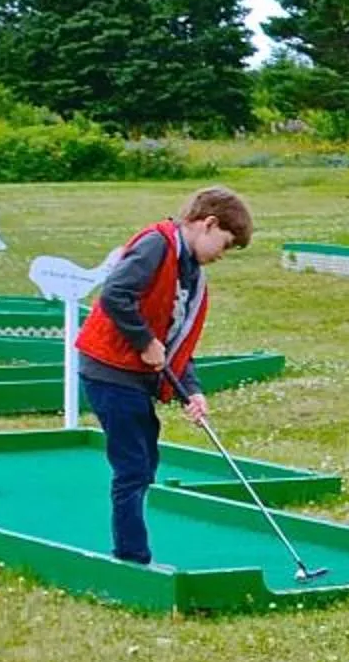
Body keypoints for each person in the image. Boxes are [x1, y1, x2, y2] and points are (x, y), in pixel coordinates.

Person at [74, 186, 254, 562]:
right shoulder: (157, 245)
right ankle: (131, 555)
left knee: (145, 462)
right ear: (208, 224)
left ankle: (131, 547)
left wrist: (192, 390)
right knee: (132, 466)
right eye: (224, 243)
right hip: (108, 369)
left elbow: (175, 341)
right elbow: (115, 294)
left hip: (133, 375)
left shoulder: (191, 273)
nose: (222, 254)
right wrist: (143, 340)